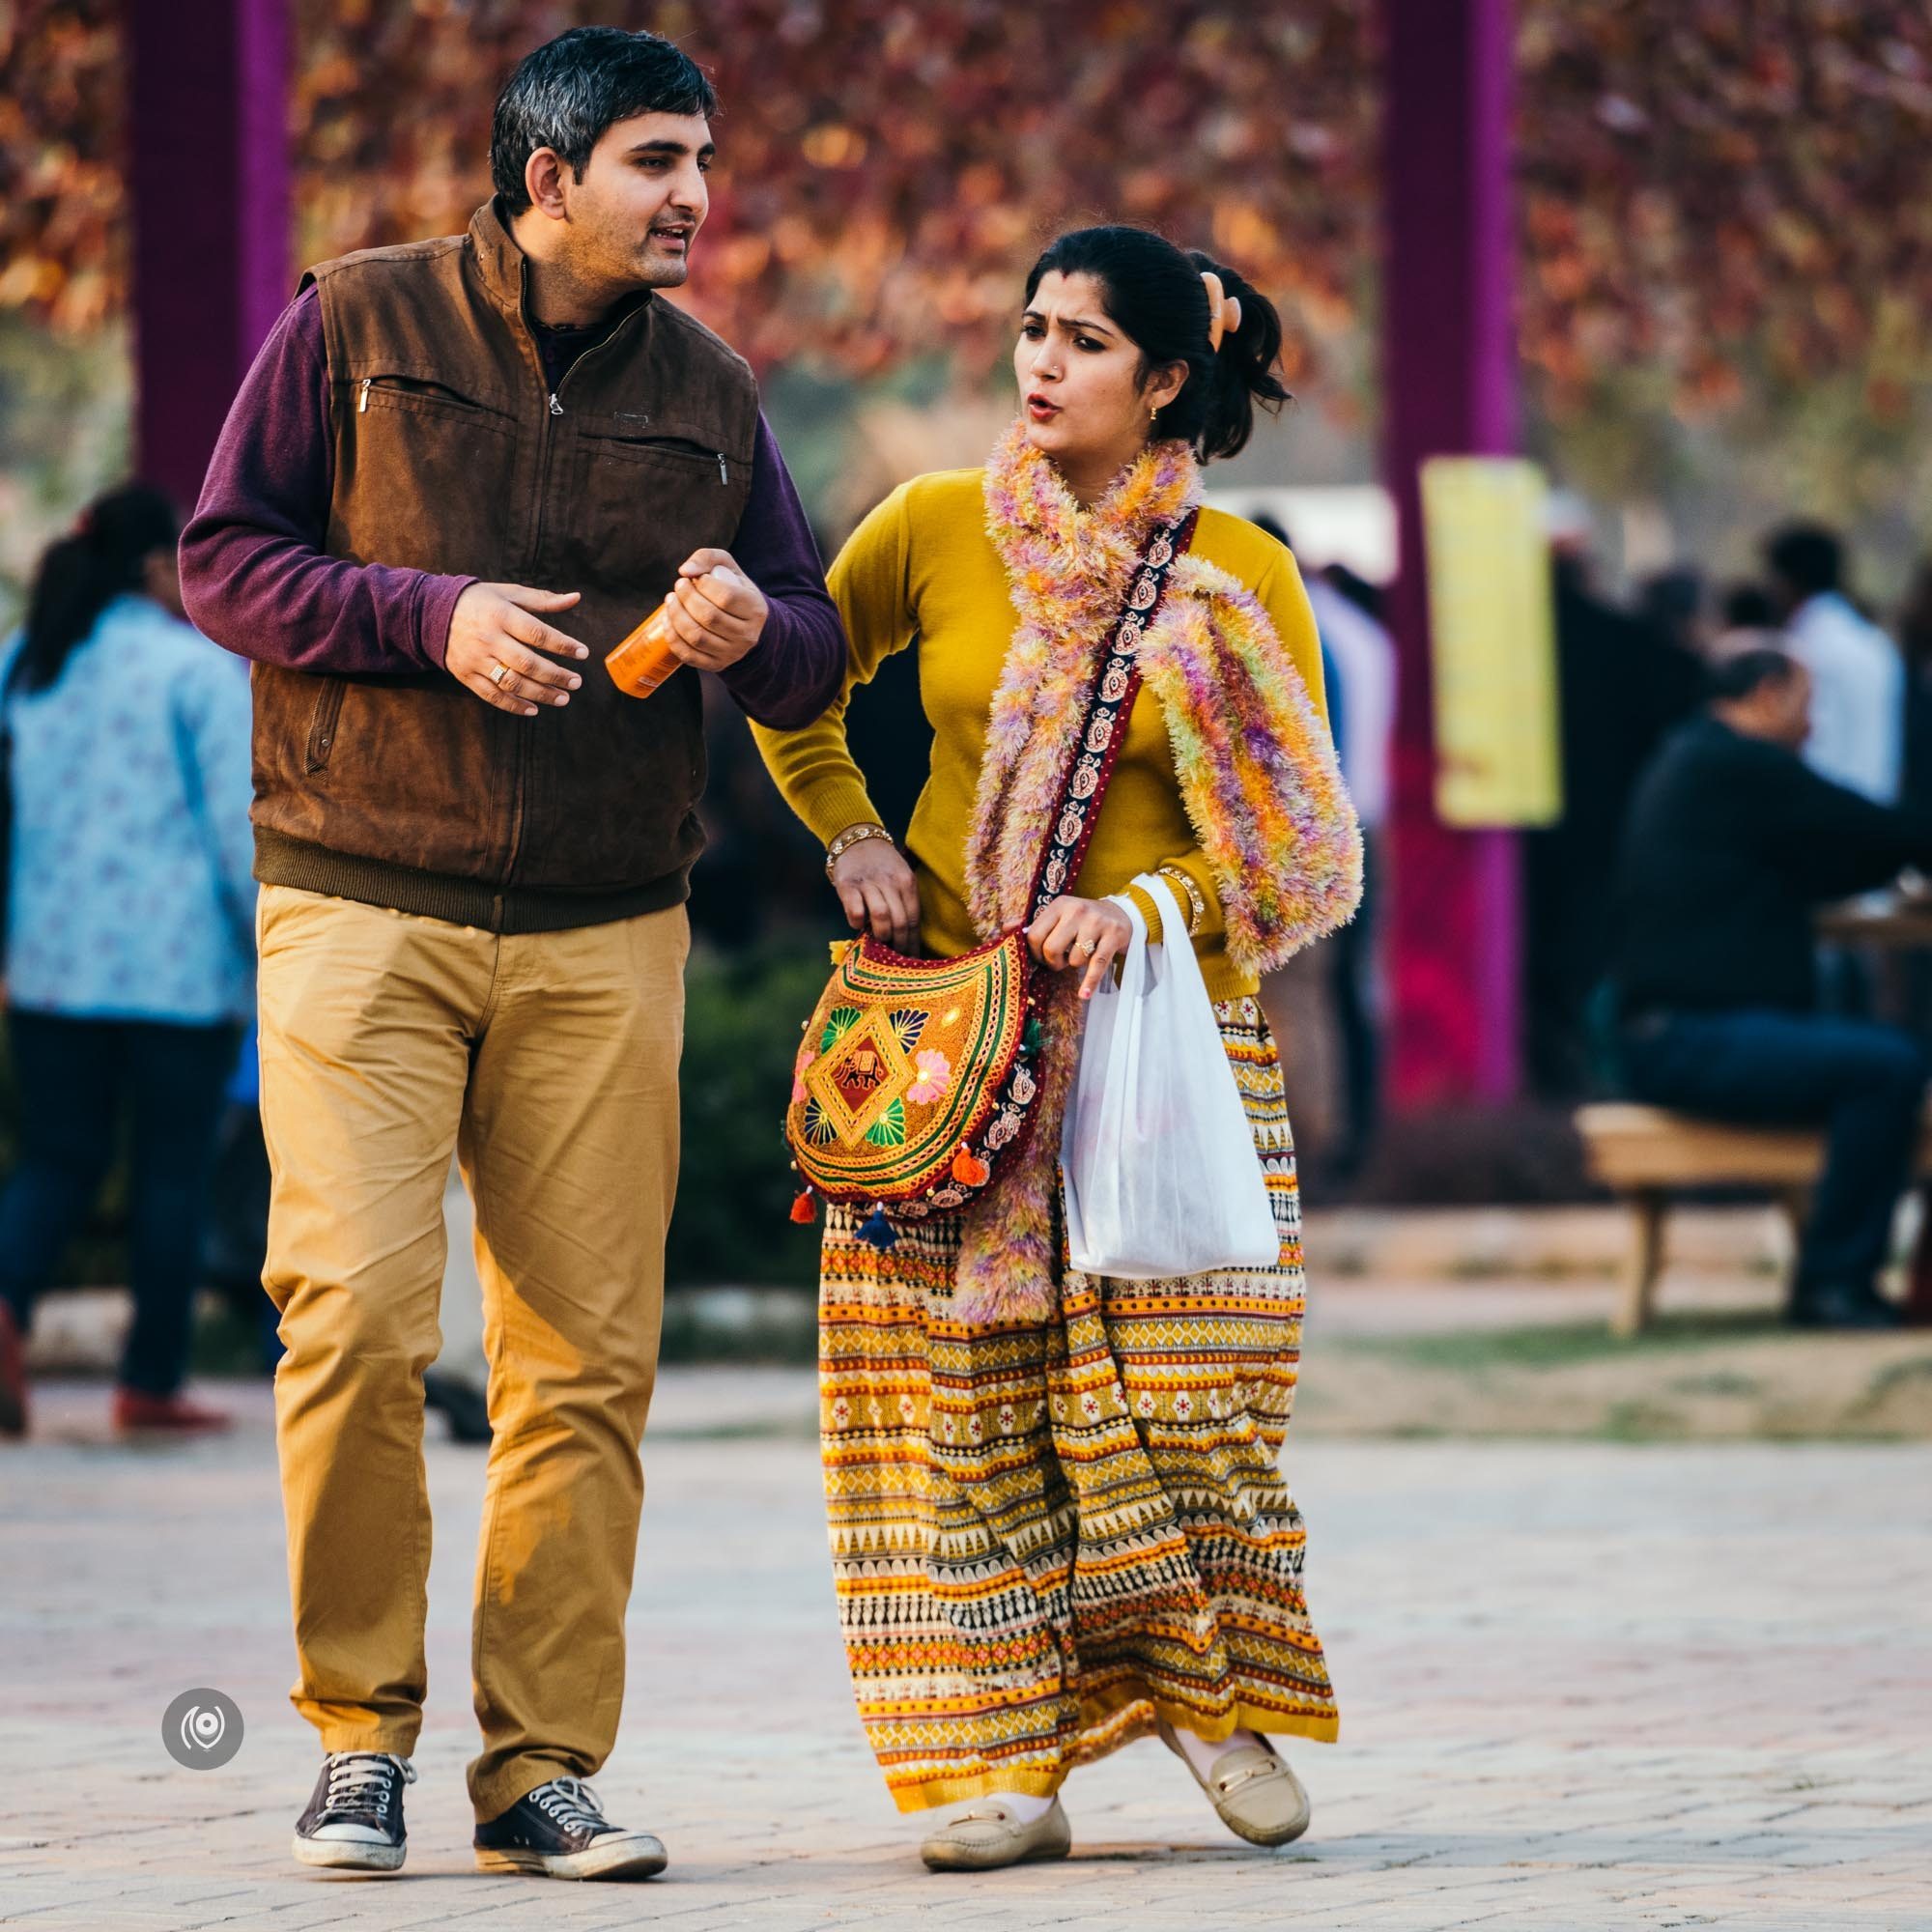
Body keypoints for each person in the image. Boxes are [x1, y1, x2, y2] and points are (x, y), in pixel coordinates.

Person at [178, 28, 844, 1881]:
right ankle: (354, 1739)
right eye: (655, 160)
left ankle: (540, 1765)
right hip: (359, 894)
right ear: (546, 179)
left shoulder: (714, 387)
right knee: (359, 1324)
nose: (694, 195)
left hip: (605, 925)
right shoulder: (360, 323)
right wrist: (428, 613)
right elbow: (225, 562)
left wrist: (748, 631)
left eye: (702, 158)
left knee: (581, 1368)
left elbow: (809, 641)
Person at [753, 225, 1361, 1871]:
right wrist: (850, 835)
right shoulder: (936, 527)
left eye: (1083, 340)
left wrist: (1151, 905)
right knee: (967, 1408)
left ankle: (1210, 1700)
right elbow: (791, 669)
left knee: (1189, 1403)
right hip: (959, 1052)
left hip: (1161, 1056)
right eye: (1030, 328)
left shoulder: (1243, 575)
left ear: (1166, 380)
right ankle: (1001, 1761)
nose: (1039, 363)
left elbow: (1300, 860)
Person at [0, 485, 253, 1441]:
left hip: (50, 963)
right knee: (171, 1174)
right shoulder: (192, 672)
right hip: (176, 973)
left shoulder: (25, 662)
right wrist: (269, 941)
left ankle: (5, 1301)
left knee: (59, 1157)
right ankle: (150, 1382)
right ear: (157, 567)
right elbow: (239, 833)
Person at [1610, 649, 1932, 1329]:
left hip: (1668, 1032)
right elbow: (1875, 830)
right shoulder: (1737, 765)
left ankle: (1838, 1274)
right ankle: (1834, 1285)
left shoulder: (1694, 758)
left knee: (1873, 1061)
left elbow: (1822, 854)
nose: (1811, 728)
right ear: (1768, 694)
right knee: (1887, 1067)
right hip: (1686, 1040)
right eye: (1807, 706)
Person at [1524, 537, 1703, 1096]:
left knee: (1538, 949)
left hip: (1527, 828)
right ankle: (1587, 1069)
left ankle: (1551, 1070)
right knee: (1589, 949)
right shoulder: (1630, 641)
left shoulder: (1514, 644)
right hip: (1610, 826)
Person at [1765, 522, 1904, 805]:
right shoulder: (1875, 642)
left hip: (1821, 817)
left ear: (1785, 581)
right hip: (1873, 811)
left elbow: (1812, 750)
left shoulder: (1804, 649)